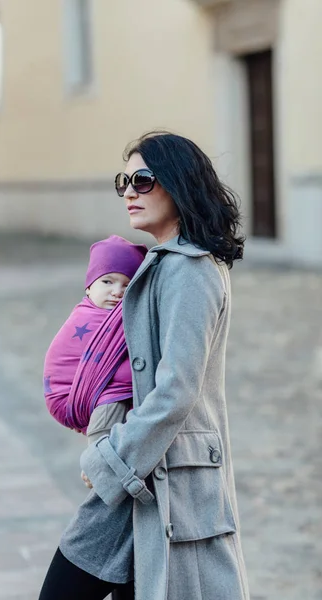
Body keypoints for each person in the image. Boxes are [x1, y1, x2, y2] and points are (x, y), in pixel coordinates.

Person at [38, 131, 250, 600]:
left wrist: (108, 460)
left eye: (144, 179)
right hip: (142, 476)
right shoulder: (161, 264)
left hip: (167, 482)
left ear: (178, 183)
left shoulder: (190, 271)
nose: (130, 191)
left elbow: (177, 390)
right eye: (124, 181)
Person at [43, 235, 147, 440]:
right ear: (89, 286)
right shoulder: (87, 317)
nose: (117, 292)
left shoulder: (119, 317)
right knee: (114, 404)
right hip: (69, 396)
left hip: (90, 395)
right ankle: (97, 461)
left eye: (127, 285)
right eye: (107, 281)